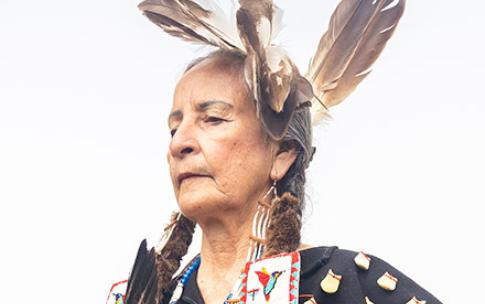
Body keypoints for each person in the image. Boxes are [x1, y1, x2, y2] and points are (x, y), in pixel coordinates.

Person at [106, 1, 442, 303]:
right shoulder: (144, 299)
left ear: (282, 154)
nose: (179, 143)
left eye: (213, 119)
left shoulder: (349, 286)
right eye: (174, 127)